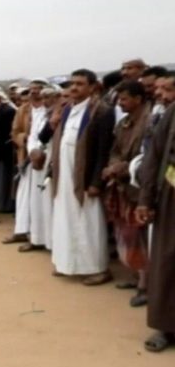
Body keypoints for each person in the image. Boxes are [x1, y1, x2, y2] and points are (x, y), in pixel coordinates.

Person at [50, 69, 115, 285]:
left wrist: (96, 181)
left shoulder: (102, 111)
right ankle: (66, 263)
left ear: (92, 87)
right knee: (65, 218)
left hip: (85, 177)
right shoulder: (67, 109)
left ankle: (97, 268)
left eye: (79, 84)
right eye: (72, 84)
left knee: (89, 222)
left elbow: (103, 150)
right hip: (64, 175)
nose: (74, 88)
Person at [101, 81, 150, 307]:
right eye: (119, 99)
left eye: (124, 99)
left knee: (142, 237)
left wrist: (125, 167)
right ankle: (136, 276)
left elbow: (148, 156)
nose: (120, 103)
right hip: (121, 185)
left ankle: (145, 285)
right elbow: (115, 151)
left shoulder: (151, 121)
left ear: (138, 99)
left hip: (140, 188)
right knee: (128, 235)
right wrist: (114, 166)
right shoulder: (123, 123)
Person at [136, 102, 175, 352]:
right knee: (168, 261)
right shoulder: (172, 112)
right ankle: (166, 325)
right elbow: (155, 156)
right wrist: (145, 199)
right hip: (171, 196)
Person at [5, 79, 48, 244]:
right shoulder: (23, 109)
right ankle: (21, 231)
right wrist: (23, 138)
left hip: (43, 160)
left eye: (38, 89)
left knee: (39, 198)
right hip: (25, 158)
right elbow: (15, 132)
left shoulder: (50, 109)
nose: (34, 92)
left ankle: (38, 236)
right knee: (24, 196)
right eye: (32, 89)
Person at [20, 87, 60, 252]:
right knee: (37, 202)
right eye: (43, 97)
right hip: (36, 161)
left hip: (51, 160)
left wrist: (40, 152)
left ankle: (52, 242)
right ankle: (37, 238)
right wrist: (32, 153)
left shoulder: (58, 115)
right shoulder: (41, 115)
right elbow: (33, 137)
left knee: (49, 202)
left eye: (49, 97)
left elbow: (46, 138)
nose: (46, 100)